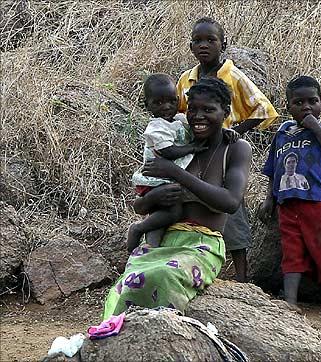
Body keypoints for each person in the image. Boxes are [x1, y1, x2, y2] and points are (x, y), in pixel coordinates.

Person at [103, 77, 251, 319]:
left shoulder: (234, 148)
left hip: (202, 244)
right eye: (192, 109)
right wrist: (156, 196)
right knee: (127, 283)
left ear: (226, 111)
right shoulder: (179, 141)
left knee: (163, 276)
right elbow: (140, 205)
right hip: (164, 238)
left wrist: (177, 174)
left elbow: (230, 202)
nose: (198, 116)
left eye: (208, 110)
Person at [177, 17, 279, 282]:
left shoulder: (233, 76)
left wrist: (233, 134)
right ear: (190, 46)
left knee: (232, 210)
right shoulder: (186, 80)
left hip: (223, 152)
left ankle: (242, 277)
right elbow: (179, 115)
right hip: (195, 150)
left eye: (211, 40)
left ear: (224, 44)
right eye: (198, 41)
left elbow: (263, 110)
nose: (204, 46)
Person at [258, 75, 321, 319]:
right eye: (299, 102)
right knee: (292, 251)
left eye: (313, 101)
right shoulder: (283, 133)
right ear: (288, 106)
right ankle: (290, 301)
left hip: (320, 201)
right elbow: (273, 169)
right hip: (288, 204)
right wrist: (270, 198)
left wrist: (315, 127)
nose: (306, 107)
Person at [127, 73, 207, 252]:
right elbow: (167, 152)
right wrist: (192, 148)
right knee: (172, 212)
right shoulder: (156, 127)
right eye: (158, 103)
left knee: (159, 217)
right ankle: (138, 229)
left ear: (178, 99)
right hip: (156, 180)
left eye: (171, 101)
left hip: (165, 178)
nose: (166, 107)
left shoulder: (178, 120)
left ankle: (149, 250)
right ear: (147, 105)